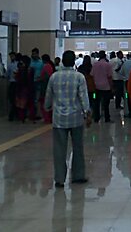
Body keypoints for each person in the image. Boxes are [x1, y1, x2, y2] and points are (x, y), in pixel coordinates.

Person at [46, 50, 91, 188]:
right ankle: (78, 176)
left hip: (59, 119)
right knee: (78, 147)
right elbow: (83, 97)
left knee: (59, 149)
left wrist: (47, 106)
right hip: (76, 118)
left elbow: (48, 96)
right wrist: (87, 113)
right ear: (74, 62)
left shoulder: (54, 77)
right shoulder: (79, 77)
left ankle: (59, 179)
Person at [91, 52, 114, 123]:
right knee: (106, 104)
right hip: (106, 87)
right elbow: (109, 77)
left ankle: (96, 118)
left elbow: (92, 75)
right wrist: (111, 87)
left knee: (96, 103)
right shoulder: (107, 65)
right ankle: (107, 118)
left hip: (96, 86)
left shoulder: (95, 65)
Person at [15, 54, 37, 122]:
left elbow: (19, 79)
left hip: (22, 89)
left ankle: (22, 118)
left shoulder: (21, 70)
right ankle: (32, 117)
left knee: (22, 104)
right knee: (31, 104)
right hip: (30, 88)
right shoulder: (31, 69)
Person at [38, 54, 56, 123]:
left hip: (44, 87)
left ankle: (47, 118)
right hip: (48, 87)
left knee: (44, 103)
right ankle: (49, 118)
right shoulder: (50, 66)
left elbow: (45, 77)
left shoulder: (46, 66)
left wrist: (39, 79)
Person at [5, 52, 19, 121]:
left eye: (12, 56)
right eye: (10, 56)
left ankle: (13, 115)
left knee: (14, 99)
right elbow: (7, 74)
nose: (11, 57)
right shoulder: (10, 65)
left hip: (16, 83)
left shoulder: (17, 64)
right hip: (12, 82)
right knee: (12, 99)